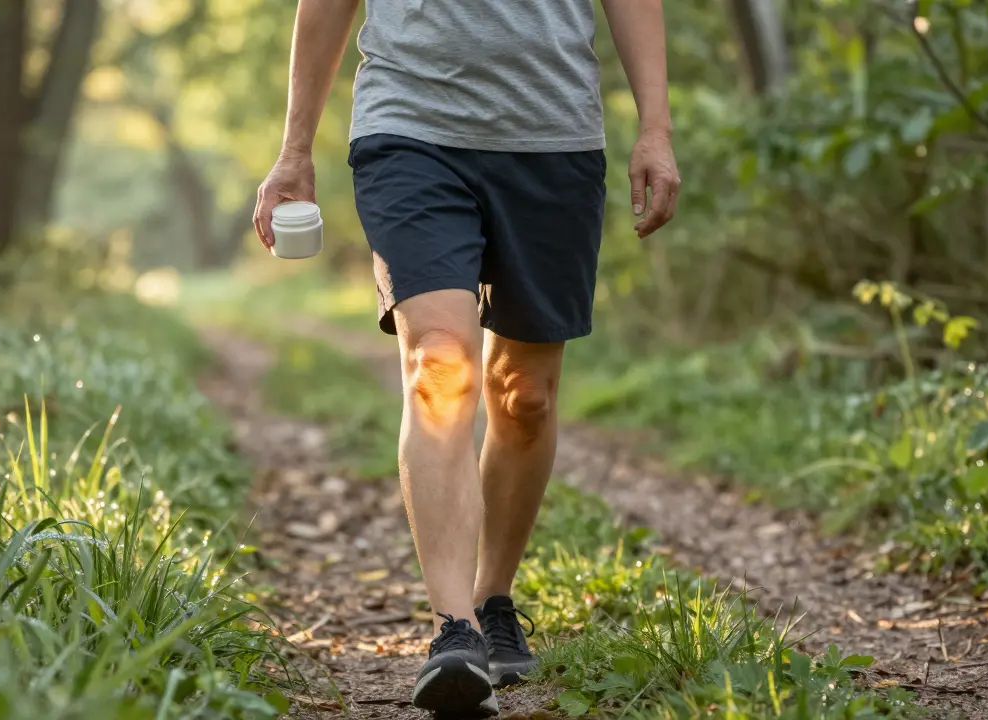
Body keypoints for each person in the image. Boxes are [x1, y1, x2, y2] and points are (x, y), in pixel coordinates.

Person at [253, 0, 680, 715]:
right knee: (439, 365)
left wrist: (656, 130)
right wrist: (294, 148)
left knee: (526, 394)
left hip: (552, 138)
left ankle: (492, 599)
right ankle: (453, 630)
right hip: (409, 128)